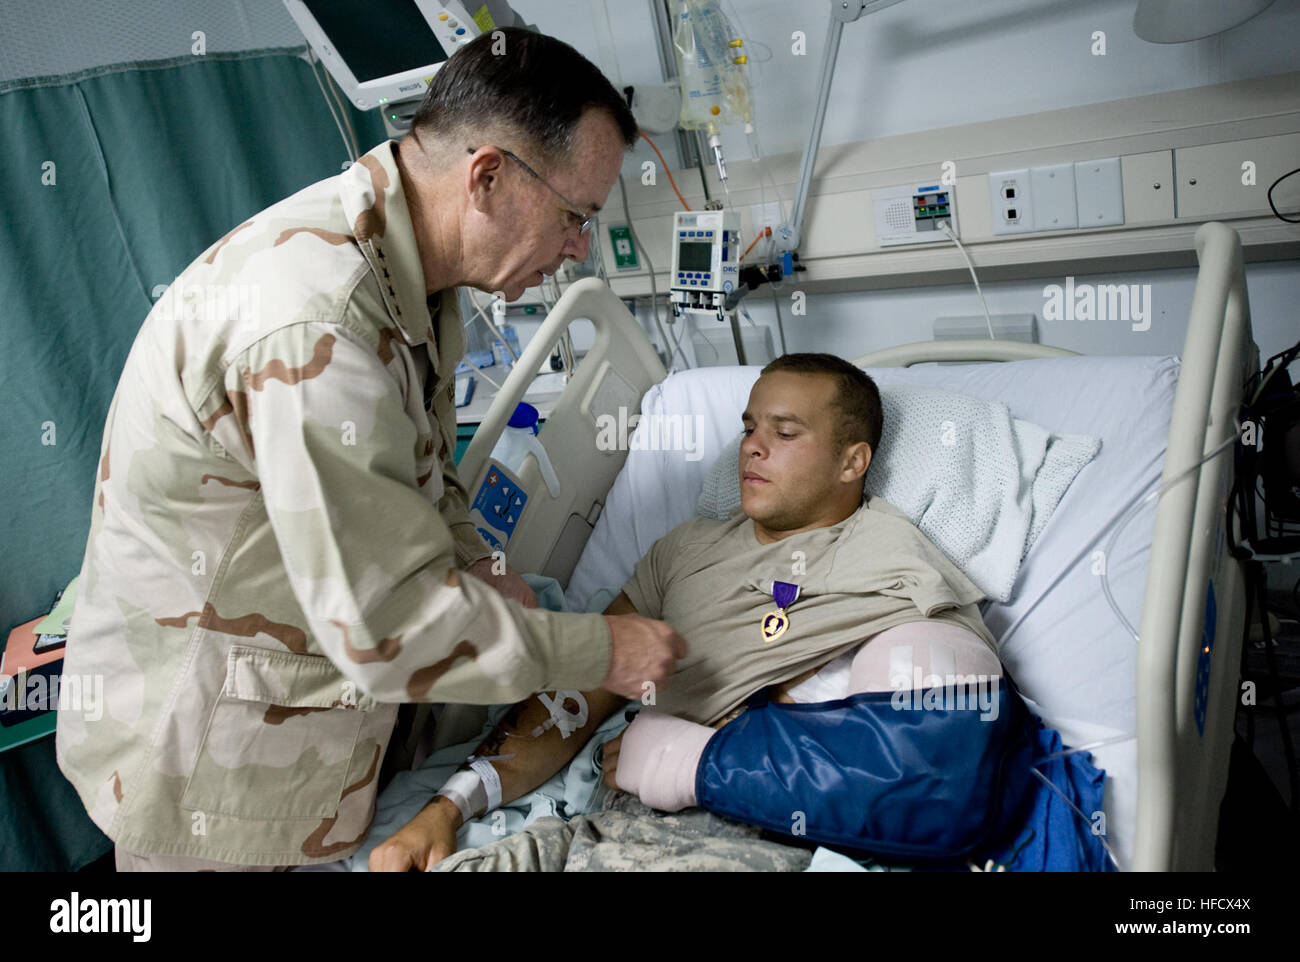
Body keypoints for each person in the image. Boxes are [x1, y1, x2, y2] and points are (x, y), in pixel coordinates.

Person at [55, 28, 685, 872]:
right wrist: (606, 650)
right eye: (575, 217)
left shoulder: (415, 275)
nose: (578, 248)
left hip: (313, 696)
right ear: (489, 177)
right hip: (209, 757)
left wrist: (477, 559)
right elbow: (390, 628)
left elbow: (425, 467)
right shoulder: (316, 323)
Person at [369, 353, 1007, 872]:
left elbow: (931, 769)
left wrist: (699, 759)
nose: (752, 448)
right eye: (750, 427)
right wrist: (448, 809)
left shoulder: (895, 562)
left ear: (853, 462)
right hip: (611, 826)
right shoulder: (684, 551)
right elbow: (576, 694)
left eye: (784, 434)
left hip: (756, 834)